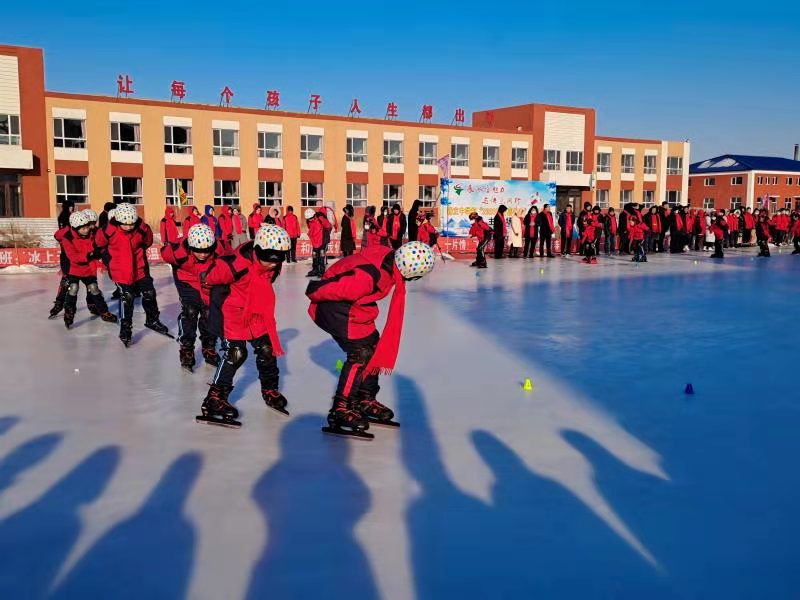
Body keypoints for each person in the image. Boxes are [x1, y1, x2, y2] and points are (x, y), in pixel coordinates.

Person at [306, 241, 436, 439]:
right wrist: (314, 289)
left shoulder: (390, 261)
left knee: (374, 346)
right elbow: (335, 288)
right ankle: (341, 408)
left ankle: (365, 398)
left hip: (356, 307)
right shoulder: (368, 277)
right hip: (333, 308)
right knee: (360, 353)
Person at [197, 225, 291, 427]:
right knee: (236, 353)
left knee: (267, 349)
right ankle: (215, 397)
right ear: (257, 250)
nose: (272, 265)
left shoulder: (272, 264)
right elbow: (206, 280)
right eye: (267, 258)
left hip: (256, 310)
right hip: (231, 312)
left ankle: (269, 389)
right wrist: (210, 306)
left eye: (278, 259)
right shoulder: (233, 265)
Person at [95, 203, 171, 347]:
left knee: (149, 293)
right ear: (118, 221)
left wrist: (142, 232)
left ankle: (152, 320)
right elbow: (99, 243)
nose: (129, 227)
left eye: (131, 224)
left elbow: (148, 241)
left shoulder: (141, 228)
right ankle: (126, 327)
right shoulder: (109, 231)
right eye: (125, 224)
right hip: (121, 270)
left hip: (140, 268)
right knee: (127, 297)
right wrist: (108, 258)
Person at [161, 224, 220, 371]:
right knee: (190, 311)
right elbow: (165, 252)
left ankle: (209, 346)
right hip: (186, 281)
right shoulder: (178, 253)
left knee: (209, 313)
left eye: (206, 251)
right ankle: (186, 347)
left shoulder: (219, 250)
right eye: (198, 251)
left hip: (207, 281)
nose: (203, 254)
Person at [57, 210, 117, 328]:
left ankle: (104, 311)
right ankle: (69, 313)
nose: (87, 230)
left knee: (94, 288)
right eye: (83, 228)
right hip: (74, 269)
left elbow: (99, 247)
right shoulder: (67, 238)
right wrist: (89, 255)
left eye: (87, 227)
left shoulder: (92, 235)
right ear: (75, 228)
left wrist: (99, 253)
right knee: (73, 288)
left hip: (88, 268)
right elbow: (73, 256)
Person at [306, 208, 327, 277]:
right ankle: (315, 270)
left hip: (322, 242)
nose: (310, 220)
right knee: (314, 256)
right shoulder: (309, 222)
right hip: (315, 242)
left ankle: (321, 271)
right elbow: (311, 231)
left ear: (314, 215)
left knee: (321, 257)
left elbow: (328, 226)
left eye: (311, 218)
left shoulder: (320, 220)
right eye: (309, 219)